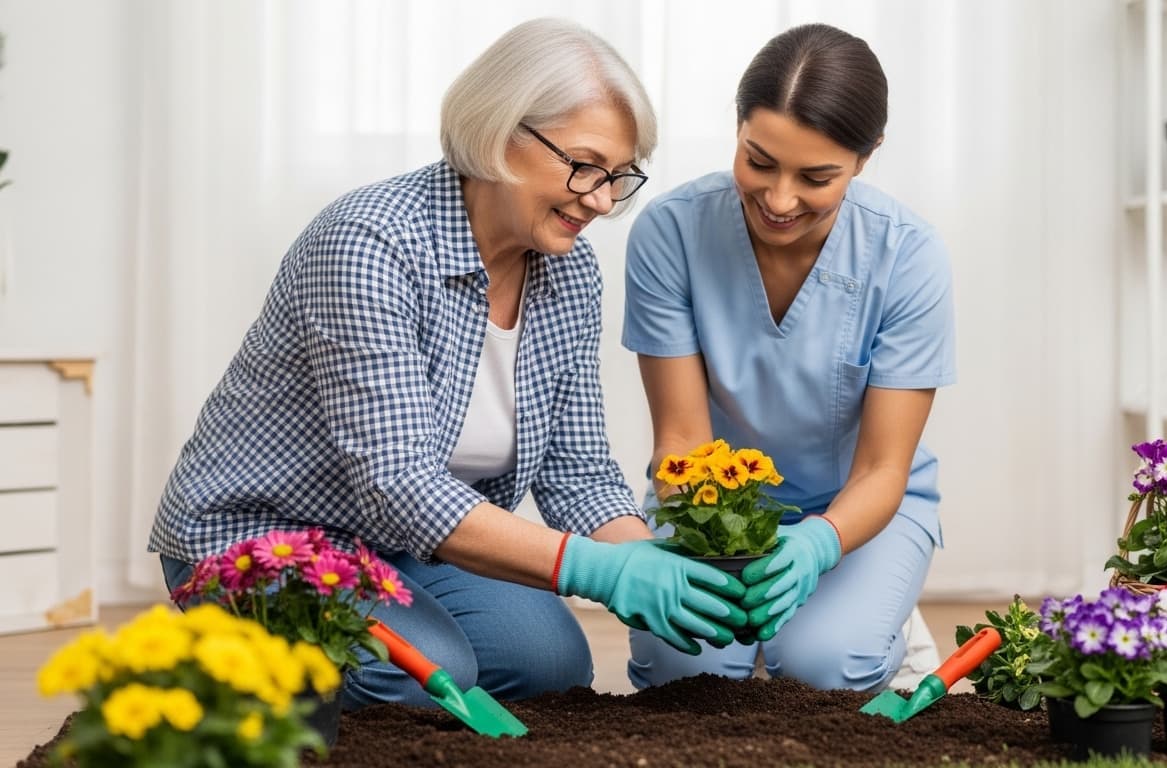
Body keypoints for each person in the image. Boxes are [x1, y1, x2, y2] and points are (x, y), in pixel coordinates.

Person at [147, 17, 748, 711]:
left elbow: (576, 469)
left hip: (404, 549)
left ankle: (327, 645)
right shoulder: (370, 244)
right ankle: (213, 633)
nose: (603, 200)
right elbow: (398, 483)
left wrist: (646, 557)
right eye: (584, 166)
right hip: (263, 539)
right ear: (499, 133)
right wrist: (593, 570)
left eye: (619, 176)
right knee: (426, 679)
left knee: (549, 665)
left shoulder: (571, 271)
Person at [622, 22, 955, 692]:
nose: (778, 200)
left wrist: (818, 544)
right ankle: (797, 625)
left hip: (858, 509)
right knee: (683, 675)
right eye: (760, 160)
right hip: (711, 504)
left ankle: (873, 623)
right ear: (738, 127)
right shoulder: (671, 232)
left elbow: (884, 468)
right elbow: (682, 440)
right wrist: (721, 542)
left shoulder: (908, 255)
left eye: (816, 176)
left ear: (867, 157)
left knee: (825, 669)